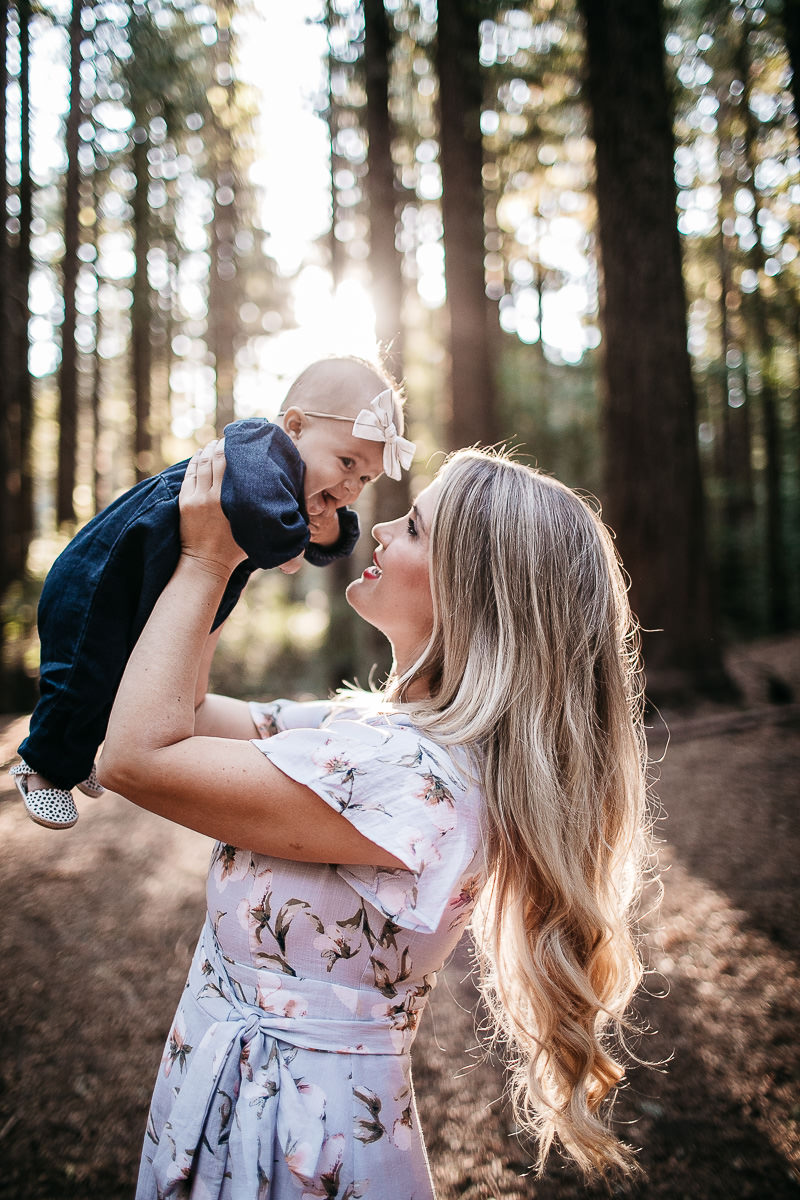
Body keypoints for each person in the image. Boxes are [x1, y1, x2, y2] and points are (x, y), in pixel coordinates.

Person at [99, 441, 652, 1198]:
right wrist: (239, 557)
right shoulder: (375, 736)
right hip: (239, 1091)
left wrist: (205, 564)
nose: (381, 528)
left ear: (474, 595)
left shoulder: (413, 778)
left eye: (416, 528)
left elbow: (136, 755)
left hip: (297, 1139)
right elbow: (186, 712)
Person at [10, 356, 415, 832]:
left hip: (146, 586)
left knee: (122, 675)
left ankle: (77, 754)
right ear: (295, 426)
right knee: (85, 669)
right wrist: (291, 536)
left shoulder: (292, 486)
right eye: (347, 462)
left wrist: (322, 530)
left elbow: (324, 540)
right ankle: (42, 766)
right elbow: (255, 509)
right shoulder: (256, 446)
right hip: (101, 576)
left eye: (365, 478)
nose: (350, 486)